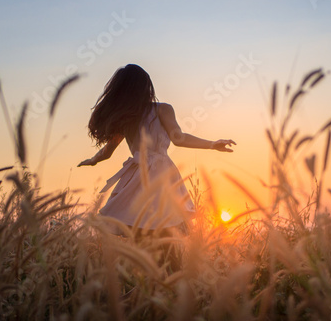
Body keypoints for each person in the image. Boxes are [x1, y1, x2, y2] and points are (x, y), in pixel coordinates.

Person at [77, 64, 236, 243]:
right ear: (146, 85)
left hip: (136, 176)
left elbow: (106, 152)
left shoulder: (126, 118)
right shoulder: (162, 109)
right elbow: (179, 138)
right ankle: (166, 269)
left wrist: (92, 160)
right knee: (166, 229)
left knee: (140, 231)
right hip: (161, 174)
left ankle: (146, 268)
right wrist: (212, 144)